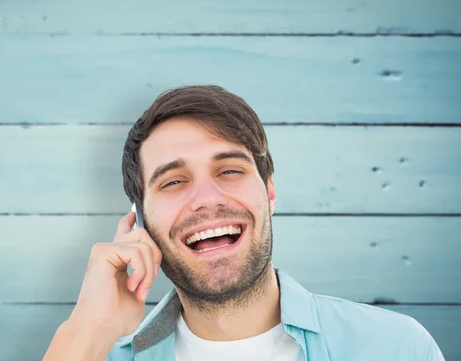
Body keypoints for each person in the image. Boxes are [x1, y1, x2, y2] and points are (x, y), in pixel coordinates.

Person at [43, 85, 444, 360]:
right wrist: (89, 331)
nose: (206, 199)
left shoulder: (393, 347)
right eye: (174, 181)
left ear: (269, 192)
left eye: (230, 170)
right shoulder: (94, 355)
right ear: (140, 221)